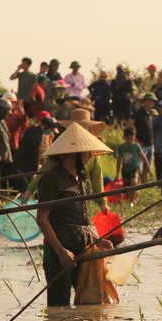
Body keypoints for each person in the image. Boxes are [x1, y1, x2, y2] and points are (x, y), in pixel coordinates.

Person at [37, 122, 113, 306]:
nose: (90, 156)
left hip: (82, 249)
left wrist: (97, 240)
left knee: (88, 305)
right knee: (58, 308)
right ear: (75, 153)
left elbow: (82, 219)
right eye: (87, 152)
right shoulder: (52, 179)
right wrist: (61, 251)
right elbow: (42, 219)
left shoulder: (82, 179)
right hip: (59, 252)